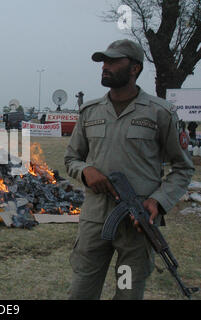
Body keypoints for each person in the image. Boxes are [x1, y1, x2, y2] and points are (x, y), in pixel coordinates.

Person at [64, 39, 194, 300]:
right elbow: (71, 159)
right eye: (104, 62)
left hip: (137, 225)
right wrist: (86, 171)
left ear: (134, 68)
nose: (105, 67)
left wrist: (158, 201)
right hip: (95, 220)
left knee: (127, 292)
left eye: (113, 61)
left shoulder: (160, 112)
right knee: (81, 292)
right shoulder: (90, 111)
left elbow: (182, 168)